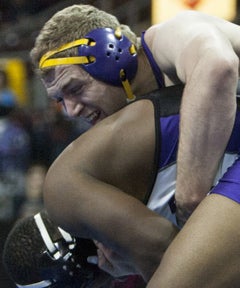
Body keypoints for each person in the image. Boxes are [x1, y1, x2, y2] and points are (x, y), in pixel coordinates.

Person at [30, 4, 240, 226]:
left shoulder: (170, 35)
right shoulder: (136, 117)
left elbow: (218, 67)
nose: (71, 111)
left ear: (112, 57)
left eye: (75, 89)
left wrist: (189, 197)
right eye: (61, 100)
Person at [41, 85, 240, 286]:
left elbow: (168, 251)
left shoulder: (61, 192)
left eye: (73, 89)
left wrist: (137, 268)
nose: (71, 111)